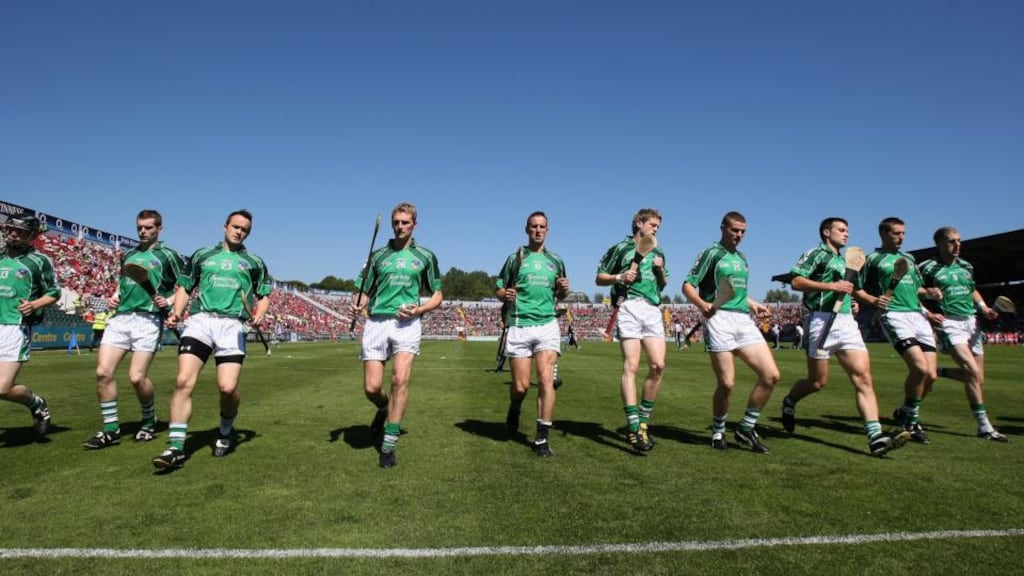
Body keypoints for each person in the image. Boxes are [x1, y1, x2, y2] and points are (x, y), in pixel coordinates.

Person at [778, 217, 909, 456]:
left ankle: (875, 437)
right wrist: (832, 287)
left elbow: (854, 289)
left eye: (848, 230)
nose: (846, 234)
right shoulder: (814, 254)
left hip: (846, 322)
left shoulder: (845, 259)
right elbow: (796, 281)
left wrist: (868, 300)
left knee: (863, 378)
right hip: (820, 320)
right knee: (817, 382)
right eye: (841, 230)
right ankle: (789, 402)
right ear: (827, 232)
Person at [152, 209, 271, 471]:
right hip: (201, 321)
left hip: (232, 325)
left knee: (227, 389)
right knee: (183, 380)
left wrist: (259, 314)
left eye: (245, 229)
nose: (239, 231)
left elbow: (263, 295)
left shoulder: (254, 262)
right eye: (236, 226)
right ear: (225, 226)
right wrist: (177, 311)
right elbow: (185, 286)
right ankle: (175, 447)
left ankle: (226, 430)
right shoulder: (202, 255)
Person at [351, 202, 443, 469]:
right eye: (396, 222)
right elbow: (363, 291)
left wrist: (420, 309)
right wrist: (358, 300)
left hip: (407, 323)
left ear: (415, 224)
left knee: (400, 380)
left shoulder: (426, 256)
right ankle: (383, 408)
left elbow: (438, 295)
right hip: (377, 322)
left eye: (405, 222)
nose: (400, 227)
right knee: (372, 388)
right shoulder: (378, 256)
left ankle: (389, 443)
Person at [84, 209, 185, 449]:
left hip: (147, 320)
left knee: (137, 377)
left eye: (149, 227)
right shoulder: (128, 254)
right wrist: (115, 297)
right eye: (140, 227)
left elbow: (184, 285)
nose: (143, 231)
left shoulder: (169, 255)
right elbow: (125, 281)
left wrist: (169, 302)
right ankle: (111, 429)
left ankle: (149, 420)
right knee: (102, 373)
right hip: (120, 318)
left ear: (160, 229)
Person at [682, 211, 780, 453]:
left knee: (771, 376)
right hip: (719, 320)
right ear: (723, 228)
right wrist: (702, 304)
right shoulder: (711, 253)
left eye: (743, 232)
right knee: (726, 383)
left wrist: (753, 303)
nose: (739, 235)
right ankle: (718, 430)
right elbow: (687, 285)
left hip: (743, 320)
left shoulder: (742, 258)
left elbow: (737, 292)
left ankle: (745, 429)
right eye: (735, 230)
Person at [918, 226, 1008, 442]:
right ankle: (984, 426)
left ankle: (938, 373)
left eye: (959, 240)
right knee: (971, 370)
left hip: (972, 322)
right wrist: (927, 312)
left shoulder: (966, 266)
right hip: (948, 323)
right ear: (939, 243)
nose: (957, 245)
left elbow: (972, 289)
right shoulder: (927, 267)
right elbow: (910, 291)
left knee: (978, 377)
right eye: (951, 241)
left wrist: (984, 308)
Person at [853, 217, 936, 444]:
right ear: (883, 234)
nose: (901, 238)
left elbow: (916, 289)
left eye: (903, 234)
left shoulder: (908, 258)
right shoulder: (873, 260)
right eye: (896, 233)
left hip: (918, 316)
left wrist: (929, 294)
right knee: (919, 368)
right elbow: (856, 288)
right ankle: (911, 423)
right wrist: (872, 300)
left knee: (931, 374)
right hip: (895, 315)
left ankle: (904, 411)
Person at [596, 208, 669, 452]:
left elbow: (663, 283)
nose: (655, 229)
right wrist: (619, 277)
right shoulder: (620, 248)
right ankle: (633, 425)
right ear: (639, 223)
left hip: (652, 308)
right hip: (628, 306)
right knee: (632, 366)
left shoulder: (659, 251)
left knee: (658, 366)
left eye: (658, 226)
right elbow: (599, 277)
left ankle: (644, 423)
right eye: (652, 224)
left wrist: (660, 270)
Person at [497, 211, 570, 457]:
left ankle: (542, 437)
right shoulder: (515, 258)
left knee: (547, 379)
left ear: (547, 230)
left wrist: (564, 290)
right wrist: (505, 294)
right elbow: (499, 288)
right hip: (519, 324)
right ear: (527, 230)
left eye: (542, 227)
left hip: (547, 324)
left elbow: (560, 295)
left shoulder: (556, 260)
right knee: (520, 386)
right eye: (533, 227)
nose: (538, 230)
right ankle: (515, 407)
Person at [0, 215, 60, 440]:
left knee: (2, 388)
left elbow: (54, 292)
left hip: (14, 328)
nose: (13, 234)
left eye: (20, 231)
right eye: (10, 229)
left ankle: (37, 404)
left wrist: (34, 304)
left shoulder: (39, 261)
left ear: (32, 235)